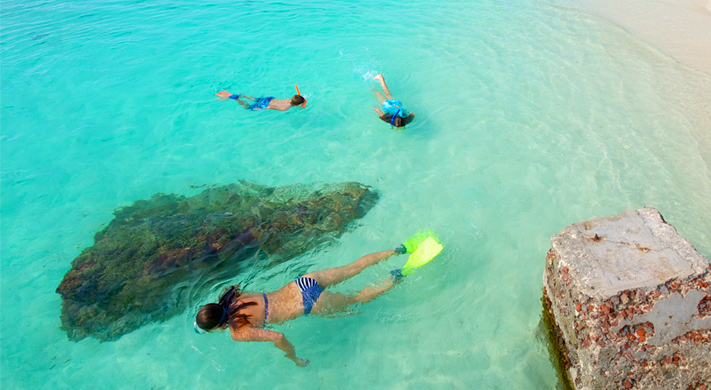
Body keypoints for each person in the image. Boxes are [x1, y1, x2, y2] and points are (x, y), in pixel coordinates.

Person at [194, 247, 408, 367]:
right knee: (353, 267)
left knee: (356, 300)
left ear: (215, 327)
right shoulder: (233, 296)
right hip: (302, 283)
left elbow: (277, 337)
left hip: (308, 304)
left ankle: (395, 277)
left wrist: (293, 357)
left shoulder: (238, 332)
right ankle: (395, 250)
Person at [216, 90, 305, 111]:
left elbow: (296, 99)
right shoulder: (285, 108)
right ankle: (236, 98)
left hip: (270, 98)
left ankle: (242, 95)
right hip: (266, 104)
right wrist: (262, 109)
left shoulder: (289, 99)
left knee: (254, 99)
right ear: (296, 105)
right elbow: (271, 107)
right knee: (248, 107)